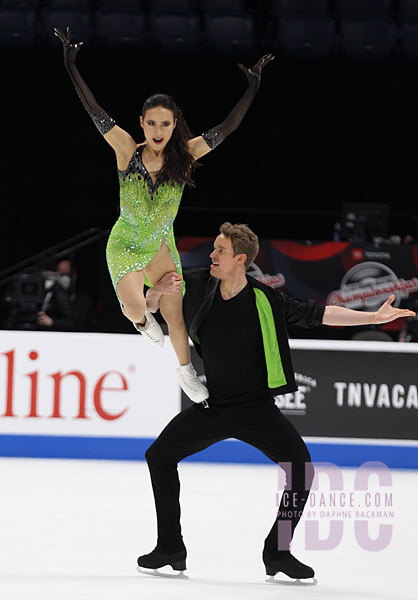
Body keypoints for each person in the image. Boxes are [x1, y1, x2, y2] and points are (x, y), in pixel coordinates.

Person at [139, 222, 416, 581]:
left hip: (256, 409)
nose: (212, 255)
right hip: (213, 406)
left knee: (301, 470)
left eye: (220, 251)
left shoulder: (266, 300)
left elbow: (320, 314)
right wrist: (156, 291)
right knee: (158, 457)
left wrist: (374, 317)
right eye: (213, 249)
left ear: (240, 259)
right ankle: (170, 547)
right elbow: (148, 309)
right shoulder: (194, 284)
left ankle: (278, 552)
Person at [54, 27, 274, 402]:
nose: (159, 130)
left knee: (175, 315)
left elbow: (228, 127)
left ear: (175, 125)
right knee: (133, 309)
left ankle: (186, 373)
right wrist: (70, 64)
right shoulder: (126, 149)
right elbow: (94, 110)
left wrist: (252, 88)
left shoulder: (185, 155)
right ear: (142, 123)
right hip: (125, 242)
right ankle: (145, 313)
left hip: (158, 242)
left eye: (166, 123)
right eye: (152, 123)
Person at [56, 257, 98, 332]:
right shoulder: (50, 298)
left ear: (74, 275)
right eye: (61, 275)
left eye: (67, 274)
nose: (65, 279)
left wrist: (53, 322)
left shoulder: (85, 301)